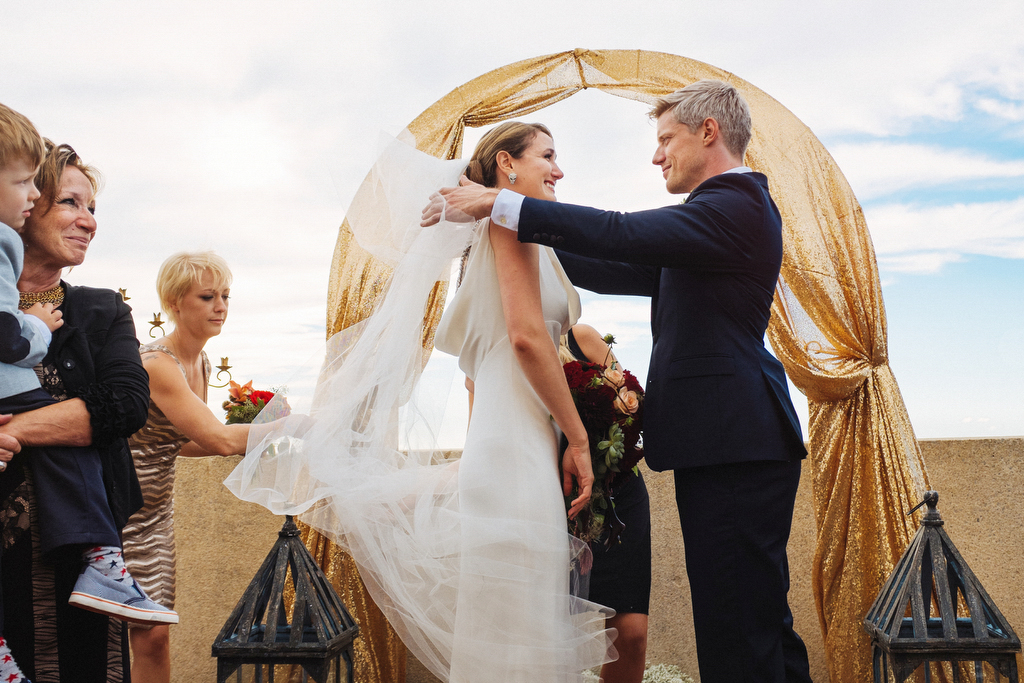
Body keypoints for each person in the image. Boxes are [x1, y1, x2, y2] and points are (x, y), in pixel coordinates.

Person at [429, 81, 813, 683]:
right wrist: (512, 224)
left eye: (666, 140)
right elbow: (608, 262)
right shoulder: (706, 228)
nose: (657, 156)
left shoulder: (735, 205)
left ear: (708, 131)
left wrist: (502, 206)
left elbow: (620, 231)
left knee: (738, 625)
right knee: (750, 616)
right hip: (727, 443)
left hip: (736, 441)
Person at [227, 124, 614, 682]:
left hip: (505, 450)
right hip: (517, 457)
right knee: (517, 634)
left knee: (507, 631)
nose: (559, 169)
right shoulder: (510, 225)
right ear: (507, 163)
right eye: (548, 156)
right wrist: (577, 438)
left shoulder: (502, 232)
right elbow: (528, 339)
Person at [0, 140, 152, 682]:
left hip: (81, 557)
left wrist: (13, 429)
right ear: (25, 203)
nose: (88, 221)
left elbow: (124, 405)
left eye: (93, 208)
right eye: (70, 202)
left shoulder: (101, 309)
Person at [122, 251, 252, 683]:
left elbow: (183, 443)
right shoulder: (158, 364)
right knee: (145, 633)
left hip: (157, 514)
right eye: (207, 296)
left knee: (155, 634)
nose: (221, 306)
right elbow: (217, 438)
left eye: (226, 296)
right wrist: (300, 428)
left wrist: (250, 442)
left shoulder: (203, 361)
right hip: (119, 509)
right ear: (175, 303)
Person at [557, 324, 650, 683]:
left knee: (632, 636)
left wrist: (601, 440)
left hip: (618, 497)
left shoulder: (579, 338)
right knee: (548, 637)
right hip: (550, 503)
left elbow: (631, 405)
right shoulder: (498, 351)